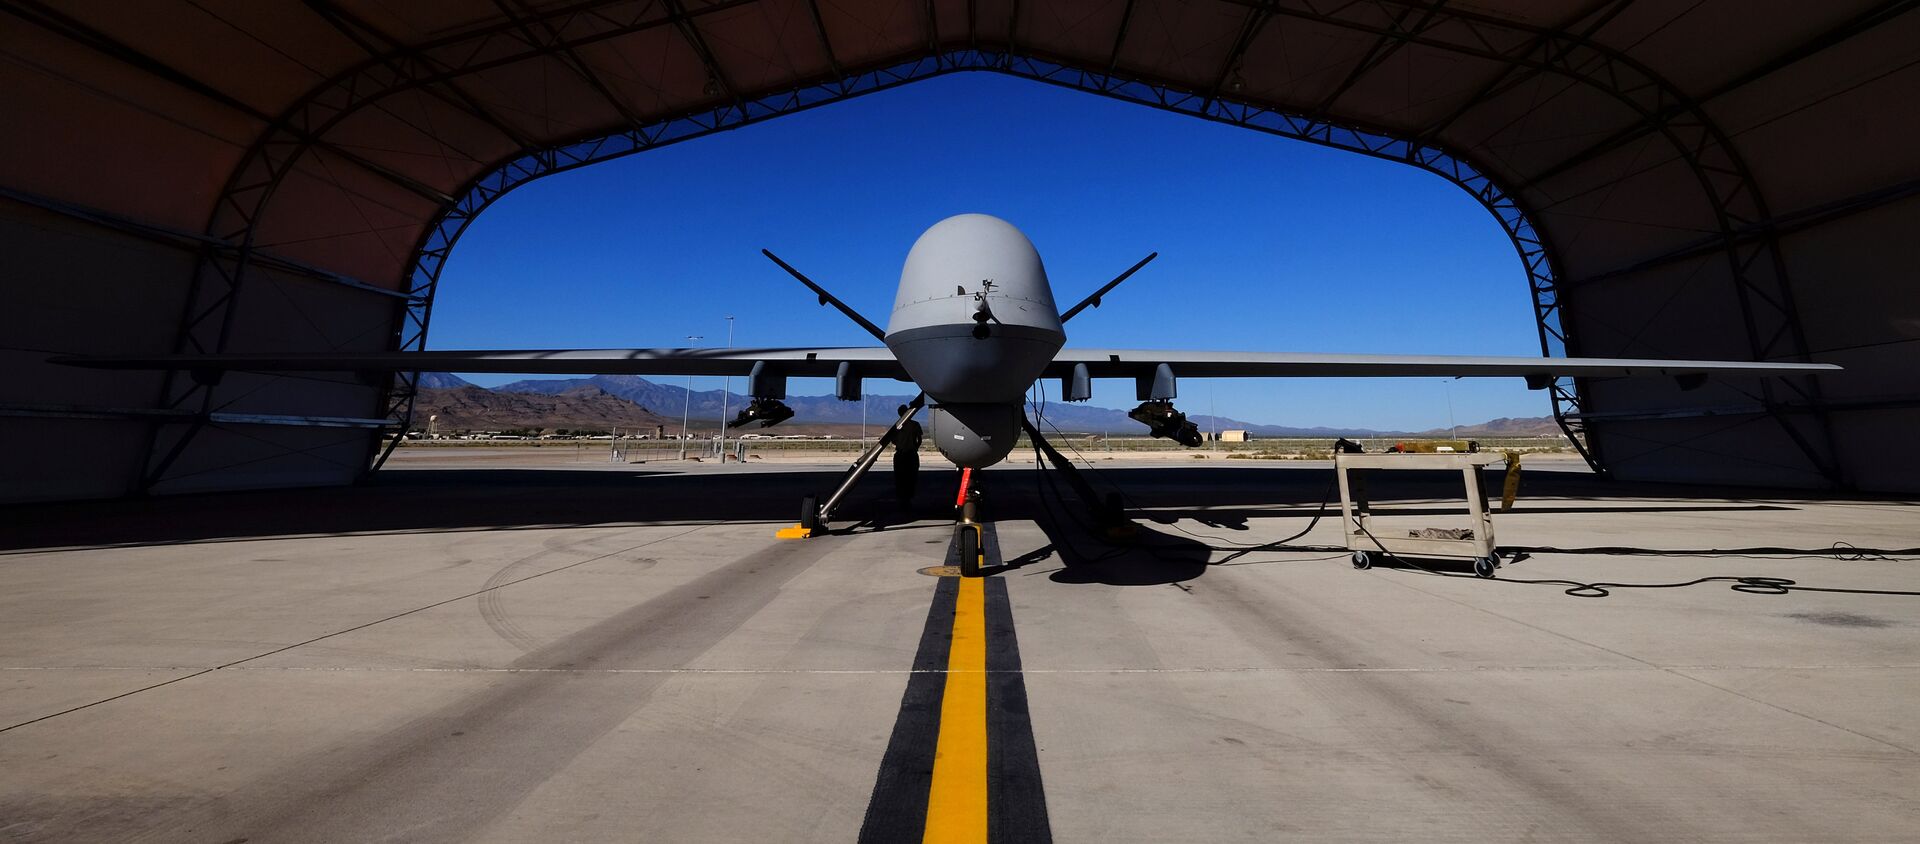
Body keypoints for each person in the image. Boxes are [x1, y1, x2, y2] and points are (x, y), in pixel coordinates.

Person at [892, 404, 922, 509]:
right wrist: (915, 447)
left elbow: (893, 440)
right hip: (911, 454)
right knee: (911, 478)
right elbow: (919, 439)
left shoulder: (896, 426)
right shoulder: (915, 425)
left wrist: (901, 443)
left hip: (900, 454)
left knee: (900, 478)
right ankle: (908, 498)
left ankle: (902, 499)